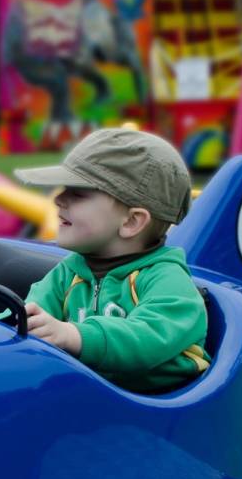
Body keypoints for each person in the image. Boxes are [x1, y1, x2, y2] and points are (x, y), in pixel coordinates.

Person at [10, 127, 208, 394]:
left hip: (160, 416)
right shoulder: (68, 272)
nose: (58, 199)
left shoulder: (168, 281)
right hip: (90, 402)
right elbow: (29, 313)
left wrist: (74, 336)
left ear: (131, 221)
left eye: (78, 193)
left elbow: (148, 339)